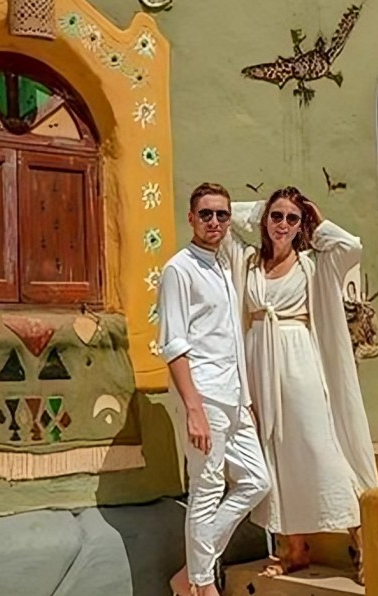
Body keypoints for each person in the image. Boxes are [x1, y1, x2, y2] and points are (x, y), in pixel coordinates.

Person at [221, 186, 378, 583]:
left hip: (299, 361)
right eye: (276, 216)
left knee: (319, 447)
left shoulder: (312, 263)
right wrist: (262, 209)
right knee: (275, 453)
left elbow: (350, 247)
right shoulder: (248, 262)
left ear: (301, 225)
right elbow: (226, 220)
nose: (283, 224)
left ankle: (364, 542)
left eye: (292, 218)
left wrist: (317, 220)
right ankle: (295, 548)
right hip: (259, 362)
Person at [158, 182, 271, 596]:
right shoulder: (179, 269)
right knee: (206, 488)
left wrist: (246, 399)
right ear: (190, 218)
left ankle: (191, 573)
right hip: (204, 395)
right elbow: (173, 344)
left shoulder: (223, 265)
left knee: (256, 481)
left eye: (222, 214)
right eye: (205, 214)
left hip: (234, 397)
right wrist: (193, 409)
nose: (215, 222)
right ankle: (203, 587)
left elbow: (229, 338)